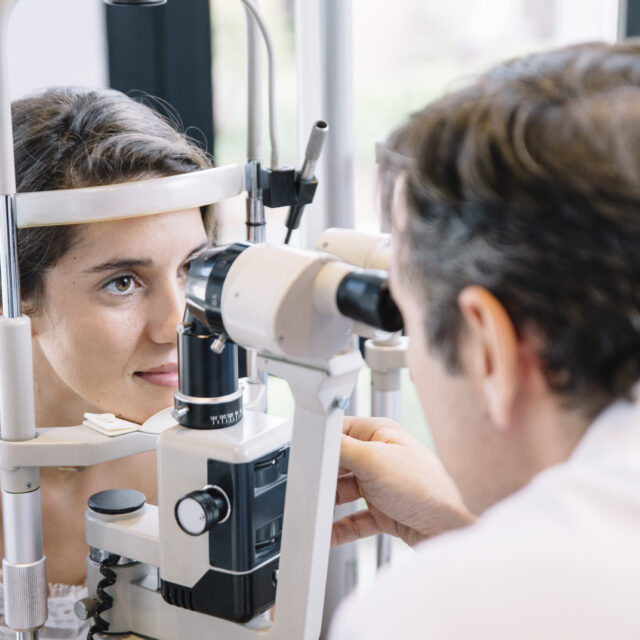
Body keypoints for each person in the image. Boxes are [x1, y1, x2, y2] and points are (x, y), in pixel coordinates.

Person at [329, 40, 640, 639]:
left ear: (487, 346)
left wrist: (473, 567)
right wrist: (466, 528)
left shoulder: (427, 614)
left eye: (408, 322)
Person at [0, 86, 212, 638]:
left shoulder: (228, 463)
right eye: (123, 282)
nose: (178, 325)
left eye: (191, 268)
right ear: (16, 297)